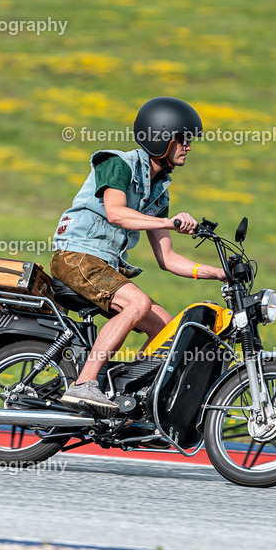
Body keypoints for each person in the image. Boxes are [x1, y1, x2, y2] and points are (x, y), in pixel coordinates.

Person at [50, 97, 227, 415]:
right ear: (163, 137)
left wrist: (219, 273)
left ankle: (131, 393)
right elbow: (116, 213)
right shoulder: (117, 164)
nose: (188, 146)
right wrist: (168, 222)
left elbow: (168, 259)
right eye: (183, 139)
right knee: (137, 303)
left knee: (169, 329)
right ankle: (83, 385)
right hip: (76, 256)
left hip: (104, 265)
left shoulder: (159, 190)